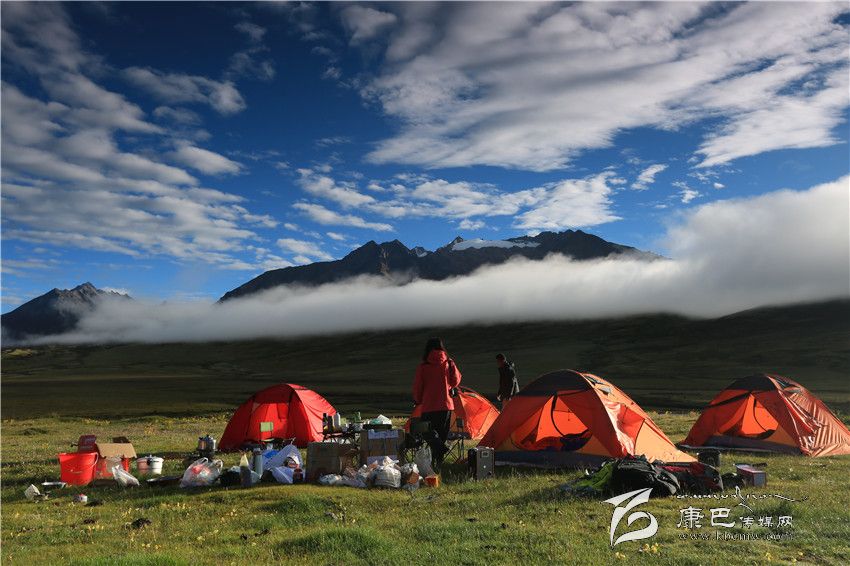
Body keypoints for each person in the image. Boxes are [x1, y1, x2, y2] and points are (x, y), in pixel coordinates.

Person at [412, 337, 462, 467]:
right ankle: (438, 462)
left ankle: (438, 457)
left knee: (426, 431)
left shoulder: (423, 367)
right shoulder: (449, 363)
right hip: (446, 405)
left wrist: (417, 400)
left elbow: (418, 386)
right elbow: (456, 381)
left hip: (429, 405)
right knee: (441, 435)